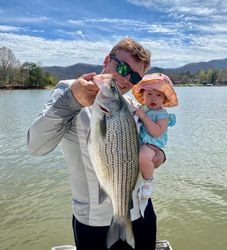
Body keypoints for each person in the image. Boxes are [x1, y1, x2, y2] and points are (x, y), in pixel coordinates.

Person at [27, 37, 166, 250]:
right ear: (106, 60)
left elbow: (151, 142)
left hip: (142, 213)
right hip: (94, 223)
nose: (126, 78)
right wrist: (72, 100)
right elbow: (36, 146)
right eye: (121, 66)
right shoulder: (68, 90)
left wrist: (160, 155)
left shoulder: (131, 105)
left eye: (135, 76)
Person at [132, 73, 178, 199]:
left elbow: (156, 132)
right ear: (142, 95)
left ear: (164, 99)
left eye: (158, 95)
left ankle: (148, 181)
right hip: (141, 142)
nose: (153, 98)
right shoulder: (142, 108)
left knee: (143, 156)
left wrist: (143, 117)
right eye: (149, 94)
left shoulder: (162, 114)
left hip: (152, 144)